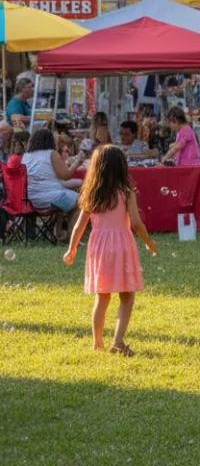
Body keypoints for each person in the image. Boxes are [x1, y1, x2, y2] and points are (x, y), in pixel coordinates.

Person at [62, 145, 157, 355]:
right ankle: (118, 341)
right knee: (127, 297)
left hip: (99, 248)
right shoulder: (126, 192)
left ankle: (97, 343)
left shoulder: (92, 193)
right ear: (121, 167)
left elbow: (79, 225)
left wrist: (72, 249)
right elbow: (136, 223)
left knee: (102, 297)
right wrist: (149, 242)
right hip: (122, 247)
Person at [24, 127, 85, 240]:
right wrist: (77, 163)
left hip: (30, 200)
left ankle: (59, 233)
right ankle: (72, 238)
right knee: (82, 202)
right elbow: (66, 176)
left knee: (71, 199)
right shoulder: (52, 154)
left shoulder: (26, 156)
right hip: (51, 198)